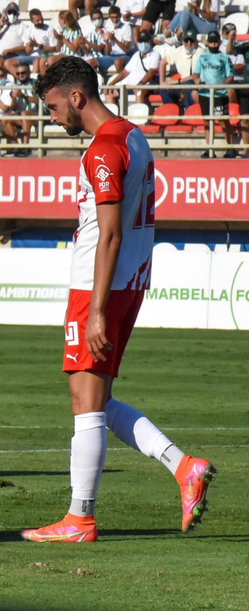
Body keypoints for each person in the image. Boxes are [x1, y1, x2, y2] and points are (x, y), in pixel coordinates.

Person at [22, 56, 214, 544]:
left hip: (98, 287)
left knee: (85, 402)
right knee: (98, 400)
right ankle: (182, 466)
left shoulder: (102, 150)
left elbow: (107, 234)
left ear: (77, 98)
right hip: (130, 281)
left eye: (53, 106)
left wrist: (97, 311)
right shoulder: (132, 136)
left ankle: (79, 519)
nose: (52, 117)